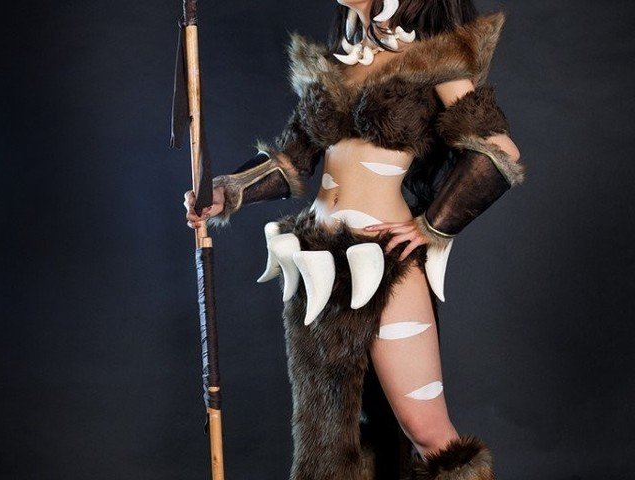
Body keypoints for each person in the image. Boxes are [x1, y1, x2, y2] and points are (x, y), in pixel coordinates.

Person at [184, 1, 525, 479]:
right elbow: (292, 159)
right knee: (329, 442)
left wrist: (431, 224)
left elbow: (497, 150)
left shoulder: (435, 57)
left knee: (428, 432)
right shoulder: (340, 62)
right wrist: (226, 192)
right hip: (316, 261)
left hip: (382, 260)